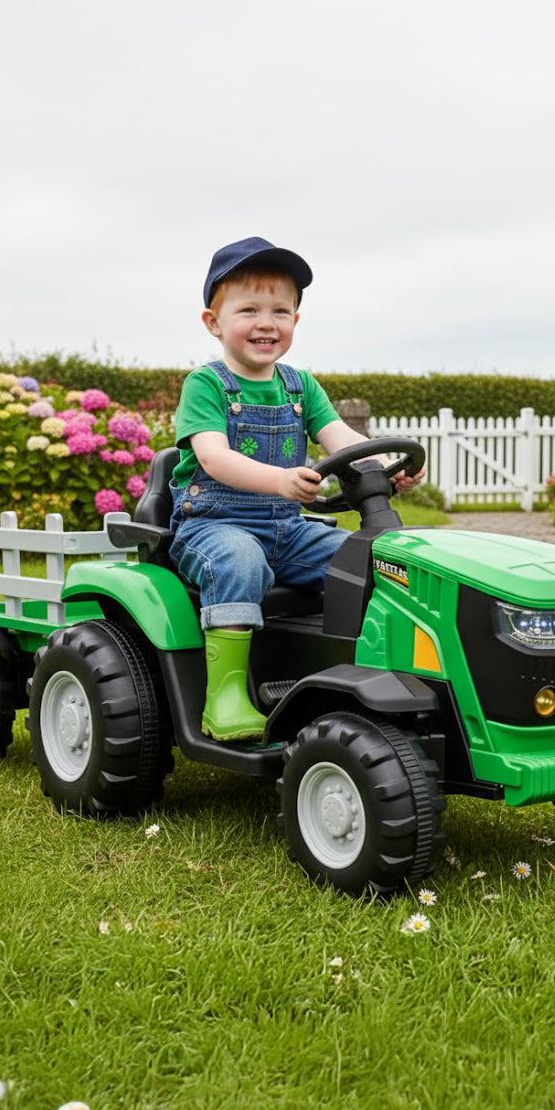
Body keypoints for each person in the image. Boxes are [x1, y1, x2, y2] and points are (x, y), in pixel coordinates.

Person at [169, 237, 425, 742]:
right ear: (213, 323)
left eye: (280, 311)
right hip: (213, 525)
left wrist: (386, 466)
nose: (267, 323)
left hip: (288, 528)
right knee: (239, 561)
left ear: (295, 322)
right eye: (249, 310)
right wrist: (280, 480)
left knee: (371, 558)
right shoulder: (207, 385)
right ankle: (224, 697)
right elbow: (213, 457)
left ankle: (368, 678)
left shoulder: (300, 386)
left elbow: (344, 440)